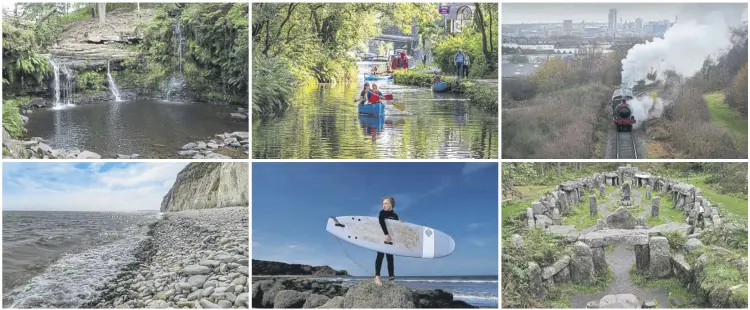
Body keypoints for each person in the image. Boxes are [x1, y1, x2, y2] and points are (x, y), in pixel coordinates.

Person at [375, 196, 401, 285]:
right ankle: (377, 277)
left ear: (391, 205)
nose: (384, 205)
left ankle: (391, 279)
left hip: (391, 240)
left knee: (390, 259)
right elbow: (381, 222)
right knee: (380, 257)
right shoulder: (382, 213)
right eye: (383, 204)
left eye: (386, 203)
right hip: (382, 237)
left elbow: (396, 227)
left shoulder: (395, 215)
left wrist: (401, 223)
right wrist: (386, 234)